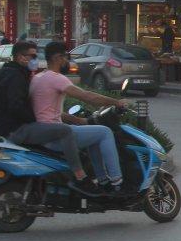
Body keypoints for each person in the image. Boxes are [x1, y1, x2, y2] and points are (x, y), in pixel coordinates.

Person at [0, 42, 89, 189]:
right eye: (33, 56)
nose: (36, 59)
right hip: (18, 129)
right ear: (20, 57)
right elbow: (16, 106)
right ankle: (80, 176)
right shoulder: (16, 77)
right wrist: (35, 118)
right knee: (65, 130)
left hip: (8, 129)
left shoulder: (11, 73)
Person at [30, 41, 129, 191]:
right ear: (57, 58)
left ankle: (103, 180)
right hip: (55, 135)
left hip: (44, 133)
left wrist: (78, 120)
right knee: (105, 132)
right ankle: (117, 182)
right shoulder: (56, 78)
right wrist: (116, 102)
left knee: (94, 136)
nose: (67, 61)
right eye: (66, 57)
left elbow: (50, 111)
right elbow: (87, 96)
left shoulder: (38, 77)